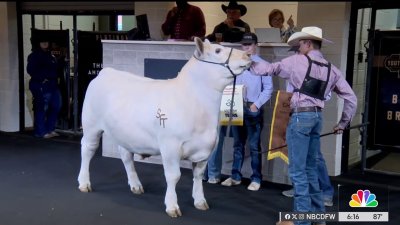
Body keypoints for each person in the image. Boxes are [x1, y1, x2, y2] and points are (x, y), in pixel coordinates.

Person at [251, 26, 357, 225]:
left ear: (308, 43)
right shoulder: (331, 69)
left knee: (298, 171)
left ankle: (301, 220)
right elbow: (351, 98)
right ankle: (318, 217)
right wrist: (342, 123)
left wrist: (249, 61)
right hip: (317, 118)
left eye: (299, 45)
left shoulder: (296, 61)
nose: (298, 49)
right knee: (310, 169)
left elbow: (267, 69)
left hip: (300, 118)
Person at [220, 33, 273, 191]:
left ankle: (256, 178)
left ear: (256, 45)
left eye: (249, 44)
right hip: (236, 104)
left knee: (254, 145)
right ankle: (236, 176)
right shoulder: (236, 64)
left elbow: (269, 88)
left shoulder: (264, 65)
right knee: (238, 144)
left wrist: (256, 104)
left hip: (252, 106)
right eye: (244, 45)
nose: (247, 47)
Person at [282, 82, 334, 208]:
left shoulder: (317, 69)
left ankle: (326, 192)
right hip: (297, 114)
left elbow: (327, 95)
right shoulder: (294, 70)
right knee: (302, 162)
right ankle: (317, 212)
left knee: (313, 159)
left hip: (307, 114)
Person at [27, 37, 62, 138]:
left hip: (53, 84)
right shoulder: (34, 55)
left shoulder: (50, 55)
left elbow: (55, 68)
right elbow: (30, 70)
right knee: (42, 107)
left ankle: (50, 129)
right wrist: (42, 79)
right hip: (41, 85)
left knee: (56, 106)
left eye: (46, 41)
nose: (45, 43)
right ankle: (41, 132)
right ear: (38, 43)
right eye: (42, 41)